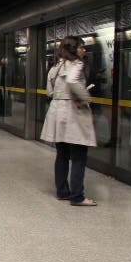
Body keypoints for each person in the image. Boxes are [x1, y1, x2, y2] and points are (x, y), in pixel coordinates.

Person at [40, 36, 97, 206]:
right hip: (73, 113)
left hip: (57, 112)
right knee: (79, 155)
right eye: (81, 47)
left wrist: (62, 95)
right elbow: (72, 81)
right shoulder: (77, 64)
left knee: (62, 155)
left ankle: (62, 191)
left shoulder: (56, 67)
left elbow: (49, 91)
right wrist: (85, 96)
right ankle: (77, 196)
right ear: (74, 49)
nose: (83, 50)